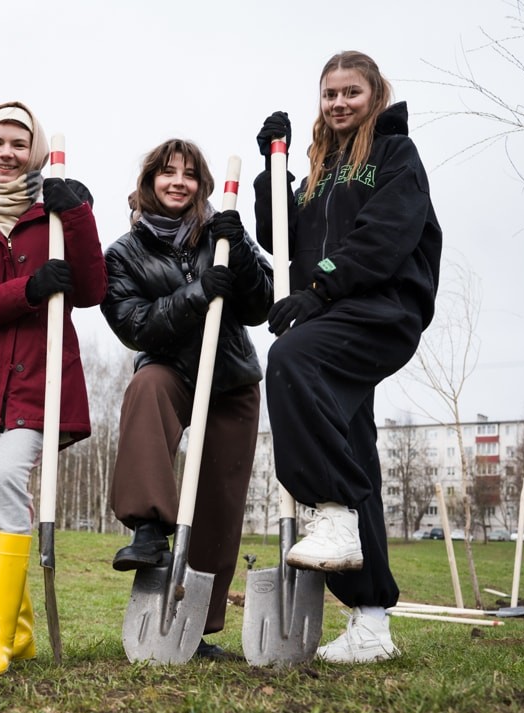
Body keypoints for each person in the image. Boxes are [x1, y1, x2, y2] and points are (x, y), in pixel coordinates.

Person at [253, 51, 442, 663]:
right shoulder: (320, 169)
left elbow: (385, 237)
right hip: (331, 312)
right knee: (352, 447)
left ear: (374, 94)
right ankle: (371, 622)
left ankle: (333, 511)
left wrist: (321, 287)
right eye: (330, 93)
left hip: (382, 309)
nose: (339, 103)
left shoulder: (394, 155)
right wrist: (272, 169)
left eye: (351, 92)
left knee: (291, 361)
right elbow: (278, 235)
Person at [0, 101, 107, 674]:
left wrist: (79, 213)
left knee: (5, 478)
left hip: (39, 384)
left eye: (19, 143)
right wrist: (29, 290)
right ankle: (18, 631)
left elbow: (92, 289)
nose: (6, 153)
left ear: (35, 150)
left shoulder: (55, 216)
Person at [101, 139, 273, 660]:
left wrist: (239, 251)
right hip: (172, 369)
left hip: (230, 377)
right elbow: (134, 326)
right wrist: (197, 295)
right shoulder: (123, 254)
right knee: (145, 388)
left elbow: (262, 304)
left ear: (202, 184)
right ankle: (149, 528)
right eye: (167, 172)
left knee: (220, 501)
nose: (178, 182)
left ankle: (196, 626)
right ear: (149, 180)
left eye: (190, 174)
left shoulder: (222, 232)